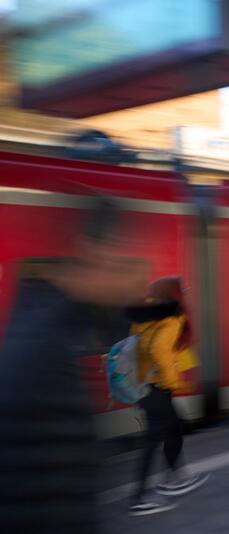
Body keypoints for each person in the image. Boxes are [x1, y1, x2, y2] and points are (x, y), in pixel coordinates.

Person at [0, 197, 147, 533]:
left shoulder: (46, 324)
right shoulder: (42, 350)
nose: (139, 280)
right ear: (94, 253)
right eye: (129, 264)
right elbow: (50, 490)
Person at [126, 276, 208, 516]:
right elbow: (159, 350)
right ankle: (138, 499)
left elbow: (138, 346)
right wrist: (172, 381)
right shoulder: (171, 316)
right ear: (174, 294)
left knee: (173, 426)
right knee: (153, 440)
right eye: (183, 290)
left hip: (143, 384)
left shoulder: (144, 313)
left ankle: (175, 477)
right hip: (157, 385)